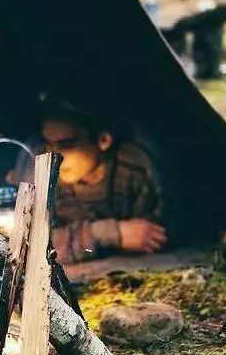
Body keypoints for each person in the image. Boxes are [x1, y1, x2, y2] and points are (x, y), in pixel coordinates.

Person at [40, 102, 167, 264]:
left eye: (67, 145)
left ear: (103, 140)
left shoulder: (135, 169)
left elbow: (151, 237)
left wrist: (74, 240)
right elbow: (37, 247)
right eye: (48, 144)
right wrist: (109, 234)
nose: (53, 155)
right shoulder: (45, 172)